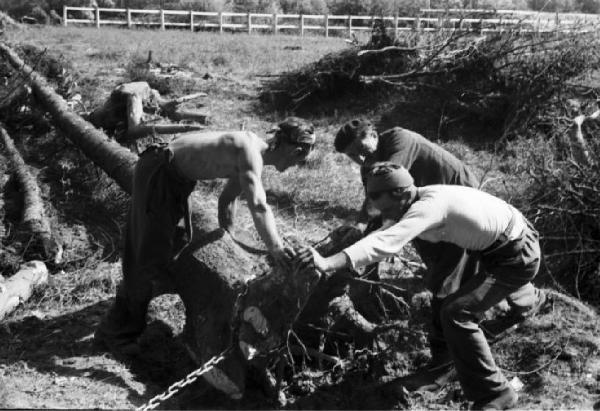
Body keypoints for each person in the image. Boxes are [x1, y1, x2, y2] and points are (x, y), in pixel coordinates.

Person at [298, 162, 546, 409]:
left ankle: (496, 393)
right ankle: (530, 304)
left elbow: (387, 240)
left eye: (382, 202)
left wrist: (328, 262)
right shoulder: (419, 198)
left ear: (400, 193)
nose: (381, 210)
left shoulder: (429, 207)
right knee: (451, 292)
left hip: (515, 257)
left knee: (457, 312)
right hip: (504, 243)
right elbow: (386, 230)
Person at [95, 117, 316, 352]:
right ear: (296, 150)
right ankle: (115, 334)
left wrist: (229, 237)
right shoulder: (250, 152)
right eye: (300, 159)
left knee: (176, 242)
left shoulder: (250, 151)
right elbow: (259, 205)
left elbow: (227, 199)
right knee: (147, 255)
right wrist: (276, 247)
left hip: (173, 176)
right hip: (160, 170)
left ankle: (139, 306)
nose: (296, 166)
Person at [334, 119, 480, 389]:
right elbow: (379, 207)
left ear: (374, 135)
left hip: (457, 199)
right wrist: (360, 245)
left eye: (360, 148)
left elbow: (388, 184)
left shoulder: (399, 140)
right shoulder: (369, 167)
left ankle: (444, 362)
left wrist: (359, 224)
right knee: (438, 266)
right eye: (352, 155)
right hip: (420, 210)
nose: (359, 157)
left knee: (445, 279)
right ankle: (521, 300)